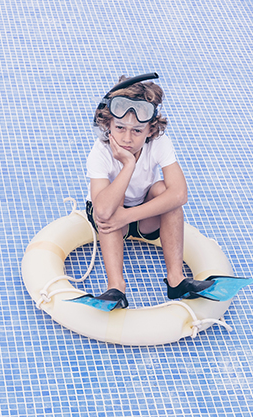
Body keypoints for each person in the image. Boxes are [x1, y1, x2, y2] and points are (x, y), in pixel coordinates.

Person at [84, 73, 213, 309]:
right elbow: (102, 211)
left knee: (165, 190)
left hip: (143, 217)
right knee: (113, 201)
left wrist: (129, 215)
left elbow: (180, 194)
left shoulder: (160, 143)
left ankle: (176, 280)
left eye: (137, 131)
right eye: (120, 128)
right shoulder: (100, 151)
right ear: (107, 126)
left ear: (150, 131)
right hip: (112, 220)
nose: (126, 138)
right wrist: (128, 165)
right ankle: (116, 287)